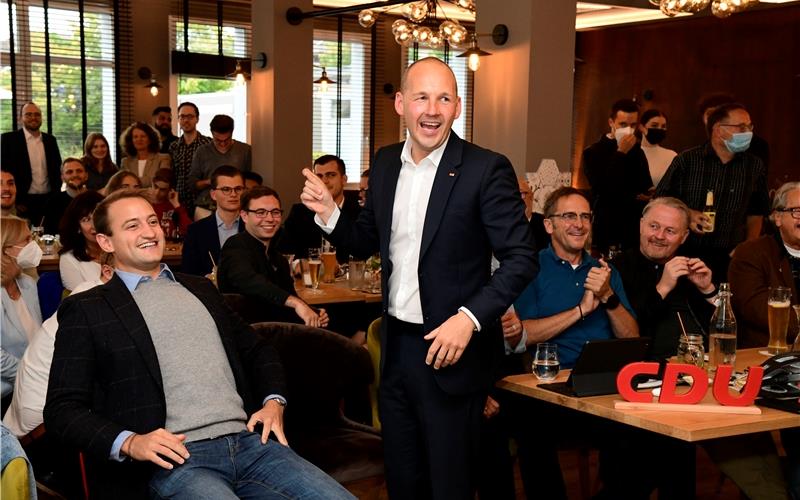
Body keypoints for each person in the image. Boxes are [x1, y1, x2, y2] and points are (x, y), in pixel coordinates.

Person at [300, 57, 537, 500]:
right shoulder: (386, 162)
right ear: (400, 104)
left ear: (458, 106)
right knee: (404, 480)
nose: (432, 109)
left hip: (453, 350)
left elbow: (522, 258)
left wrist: (469, 318)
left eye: (444, 98)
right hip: (396, 352)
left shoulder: (486, 169)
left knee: (448, 485)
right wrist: (330, 214)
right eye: (422, 97)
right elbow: (368, 238)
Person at [43, 190, 354, 500]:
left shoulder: (200, 288)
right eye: (132, 225)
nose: (150, 232)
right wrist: (130, 442)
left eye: (152, 221)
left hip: (251, 444)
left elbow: (258, 350)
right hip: (177, 460)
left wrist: (274, 402)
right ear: (106, 242)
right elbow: (62, 409)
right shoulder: (88, 307)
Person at [512, 187, 639, 367]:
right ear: (549, 225)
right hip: (552, 378)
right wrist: (581, 310)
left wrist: (607, 295)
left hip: (606, 376)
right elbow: (522, 337)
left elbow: (632, 340)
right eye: (569, 216)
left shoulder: (604, 271)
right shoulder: (530, 269)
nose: (579, 224)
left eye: (585, 216)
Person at [655, 102, 769, 281]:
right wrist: (687, 214)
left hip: (732, 255)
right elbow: (660, 200)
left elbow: (757, 212)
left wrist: (746, 247)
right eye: (741, 126)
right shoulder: (687, 160)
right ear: (718, 129)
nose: (748, 132)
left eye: (749, 126)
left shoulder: (754, 166)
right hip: (686, 253)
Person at [4, 252, 114, 437]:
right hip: (42, 414)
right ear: (108, 272)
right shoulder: (94, 300)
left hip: (42, 401)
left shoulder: (93, 290)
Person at [613, 197, 716, 361]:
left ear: (684, 237)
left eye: (670, 231)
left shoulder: (693, 266)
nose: (659, 236)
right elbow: (628, 332)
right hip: (646, 368)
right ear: (641, 225)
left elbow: (725, 329)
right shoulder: (618, 268)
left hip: (701, 364)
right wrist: (663, 287)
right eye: (654, 226)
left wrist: (708, 290)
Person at [218, 186, 328, 327]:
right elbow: (249, 280)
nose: (270, 219)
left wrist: (314, 312)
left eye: (275, 212)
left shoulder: (278, 259)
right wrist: (297, 304)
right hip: (243, 336)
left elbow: (287, 298)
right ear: (244, 216)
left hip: (274, 332)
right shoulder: (235, 245)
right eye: (260, 212)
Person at [729, 181, 800, 348]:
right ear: (777, 217)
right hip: (765, 355)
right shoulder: (751, 253)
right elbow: (759, 311)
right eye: (797, 211)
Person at [582, 98, 653, 256]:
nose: (628, 130)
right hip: (607, 224)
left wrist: (650, 194)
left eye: (633, 125)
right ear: (611, 123)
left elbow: (644, 184)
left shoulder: (637, 152)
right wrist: (620, 153)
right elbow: (602, 189)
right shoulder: (593, 152)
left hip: (633, 225)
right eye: (623, 125)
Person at [281, 155, 360, 261]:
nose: (324, 181)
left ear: (344, 180)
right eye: (319, 176)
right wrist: (297, 265)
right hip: (309, 275)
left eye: (331, 175)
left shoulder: (360, 213)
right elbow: (283, 252)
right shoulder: (299, 212)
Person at [1, 217, 43, 403]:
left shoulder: (27, 283)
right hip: (6, 391)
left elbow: (38, 337)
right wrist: (30, 377)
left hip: (34, 384)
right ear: (6, 250)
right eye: (26, 240)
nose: (32, 245)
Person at [1, 102, 62, 225]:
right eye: (28, 114)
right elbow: (3, 170)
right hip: (22, 201)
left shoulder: (50, 140)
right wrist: (16, 201)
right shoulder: (8, 139)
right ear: (20, 118)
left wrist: (55, 196)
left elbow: (57, 170)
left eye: (37, 114)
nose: (33, 118)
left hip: (48, 200)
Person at [181, 165, 245, 277]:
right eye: (226, 189)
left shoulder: (253, 227)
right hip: (208, 292)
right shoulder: (196, 231)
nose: (233, 194)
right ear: (213, 194)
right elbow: (188, 274)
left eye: (238, 189)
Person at [188, 114, 252, 218]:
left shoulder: (244, 150)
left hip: (237, 206)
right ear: (212, 134)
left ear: (232, 133)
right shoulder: (202, 152)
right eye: (218, 140)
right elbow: (192, 184)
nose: (222, 144)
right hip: (206, 206)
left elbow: (252, 182)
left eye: (226, 140)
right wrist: (212, 181)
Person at [57, 191, 106, 292]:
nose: (94, 225)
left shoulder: (120, 250)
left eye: (97, 217)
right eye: (86, 219)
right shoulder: (69, 259)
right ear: (78, 227)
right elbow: (79, 301)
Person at [168, 102, 211, 214]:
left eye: (190, 117)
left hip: (202, 203)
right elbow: (173, 175)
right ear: (178, 119)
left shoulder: (207, 144)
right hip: (179, 202)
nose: (186, 120)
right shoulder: (174, 146)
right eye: (182, 116)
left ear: (197, 119)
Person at [43, 157, 88, 235]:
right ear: (62, 178)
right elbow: (48, 234)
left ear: (86, 175)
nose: (75, 175)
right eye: (69, 172)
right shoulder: (52, 203)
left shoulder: (97, 200)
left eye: (79, 171)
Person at [119, 121, 171, 188]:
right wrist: (149, 180)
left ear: (150, 139)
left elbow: (160, 183)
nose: (139, 139)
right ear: (131, 140)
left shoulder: (163, 158)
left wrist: (133, 183)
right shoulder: (125, 162)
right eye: (135, 137)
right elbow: (123, 185)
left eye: (143, 136)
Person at [149, 168, 192, 240]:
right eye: (156, 187)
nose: (157, 192)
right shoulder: (144, 204)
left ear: (170, 190)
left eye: (162, 190)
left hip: (171, 247)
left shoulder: (174, 207)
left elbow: (190, 231)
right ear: (152, 183)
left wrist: (177, 206)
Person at [638, 109, 676, 188]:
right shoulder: (632, 153)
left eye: (663, 126)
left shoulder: (672, 156)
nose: (659, 129)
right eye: (654, 125)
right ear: (642, 127)